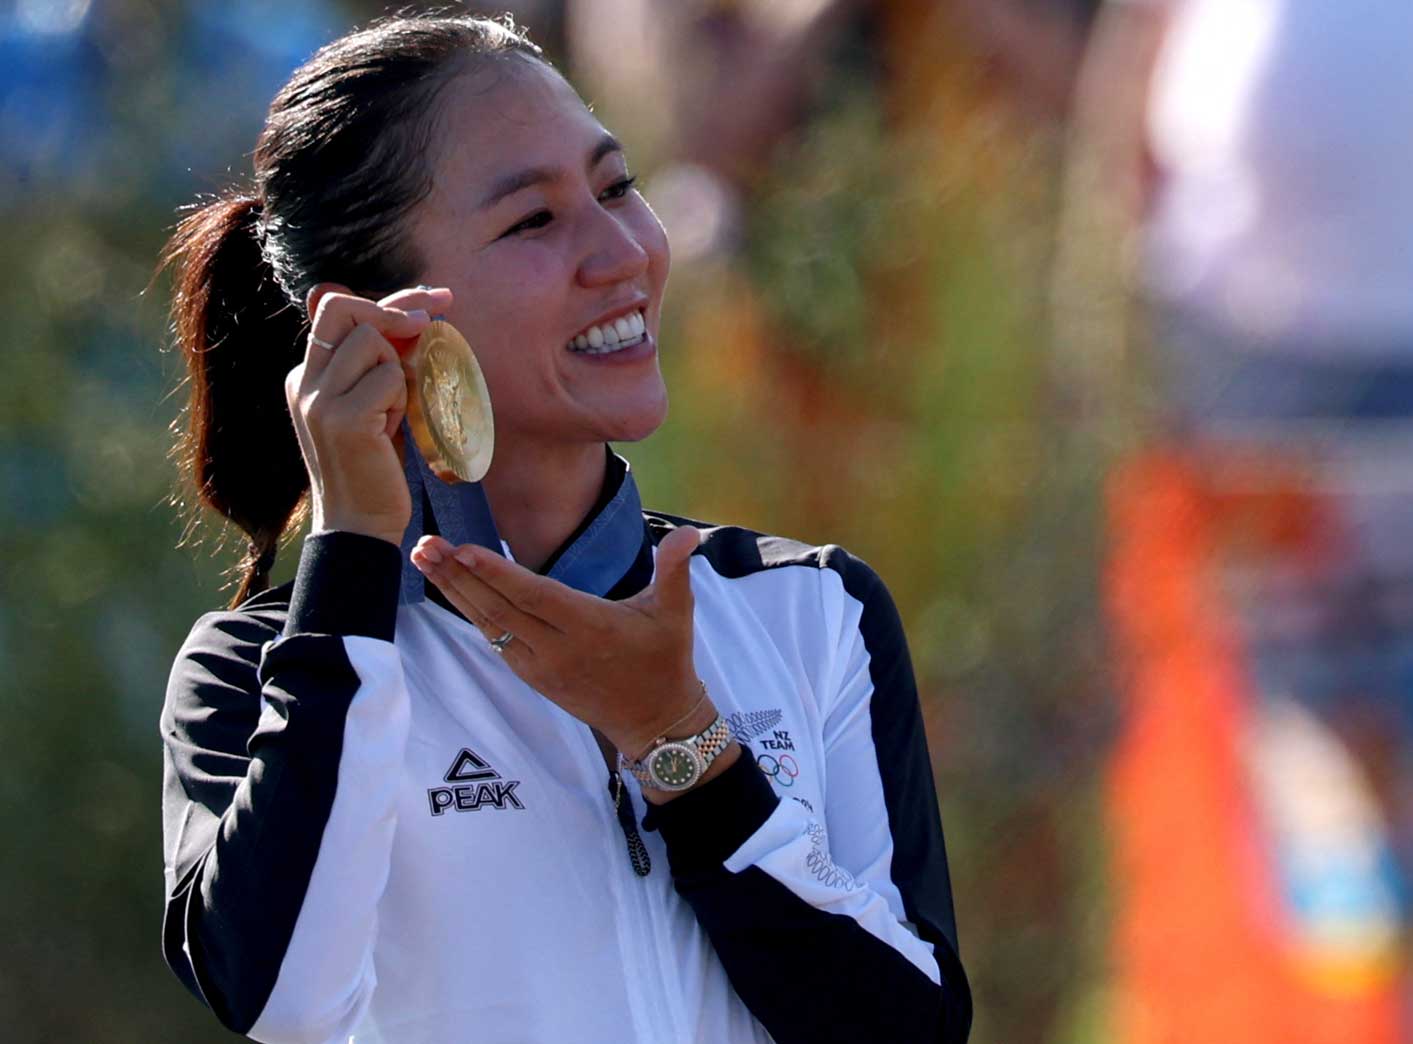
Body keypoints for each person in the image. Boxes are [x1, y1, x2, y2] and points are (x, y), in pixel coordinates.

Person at [153, 12, 970, 1043]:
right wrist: (353, 547)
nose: (621, 250)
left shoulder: (810, 608)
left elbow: (909, 1031)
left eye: (617, 186)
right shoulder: (263, 670)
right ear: (371, 317)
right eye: (533, 221)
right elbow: (281, 1002)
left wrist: (684, 749)